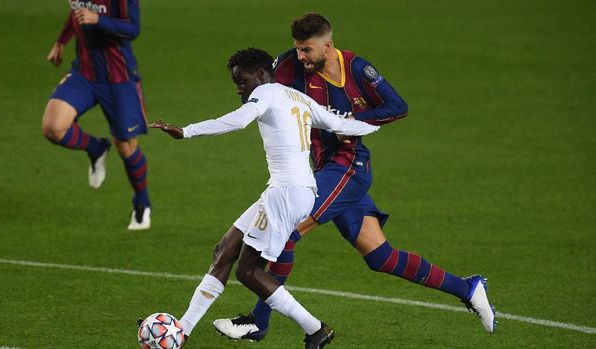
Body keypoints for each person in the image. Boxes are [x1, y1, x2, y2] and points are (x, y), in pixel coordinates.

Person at [213, 13, 496, 340]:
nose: (300, 57)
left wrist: (350, 118)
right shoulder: (289, 65)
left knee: (288, 229)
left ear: (327, 46)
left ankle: (258, 323)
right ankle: (467, 288)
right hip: (324, 170)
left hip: (348, 166)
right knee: (380, 255)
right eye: (298, 50)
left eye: (307, 50)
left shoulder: (358, 70)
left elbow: (397, 106)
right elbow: (266, 90)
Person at [149, 48, 379, 348]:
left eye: (242, 81)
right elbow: (341, 124)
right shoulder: (298, 97)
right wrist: (378, 122)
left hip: (285, 194)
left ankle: (315, 329)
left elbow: (240, 120)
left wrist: (187, 131)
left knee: (247, 271)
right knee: (224, 250)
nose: (239, 88)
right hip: (292, 191)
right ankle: (183, 332)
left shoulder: (266, 92)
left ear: (260, 75)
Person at [42, 0, 151, 230]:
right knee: (53, 127)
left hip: (119, 77)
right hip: (84, 72)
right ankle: (96, 148)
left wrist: (98, 19)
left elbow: (133, 29)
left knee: (126, 146)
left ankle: (142, 202)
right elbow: (76, 14)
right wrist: (61, 41)